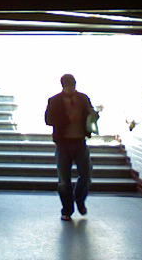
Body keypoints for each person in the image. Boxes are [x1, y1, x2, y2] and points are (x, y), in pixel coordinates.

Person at [45, 74, 98, 221]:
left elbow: (90, 113)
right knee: (64, 180)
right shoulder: (54, 100)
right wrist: (67, 119)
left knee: (86, 174)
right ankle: (67, 210)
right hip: (63, 143)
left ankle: (79, 200)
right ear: (63, 86)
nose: (71, 89)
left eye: (73, 86)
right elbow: (48, 120)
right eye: (68, 86)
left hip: (80, 141)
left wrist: (94, 115)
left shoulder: (83, 98)